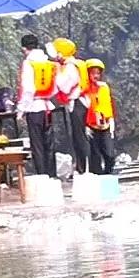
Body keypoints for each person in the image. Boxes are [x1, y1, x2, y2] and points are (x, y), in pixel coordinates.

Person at [17, 33, 58, 176]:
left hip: (34, 107)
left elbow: (28, 89)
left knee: (37, 145)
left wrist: (20, 109)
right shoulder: (48, 63)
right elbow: (54, 87)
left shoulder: (29, 63)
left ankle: (42, 175)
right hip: (47, 106)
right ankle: (52, 175)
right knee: (49, 143)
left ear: (24, 48)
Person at [49, 37, 89, 176]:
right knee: (77, 137)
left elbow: (64, 86)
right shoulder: (69, 64)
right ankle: (81, 166)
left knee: (80, 137)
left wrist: (56, 72)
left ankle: (85, 168)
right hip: (74, 103)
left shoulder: (70, 67)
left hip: (77, 104)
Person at [81, 59, 117, 174]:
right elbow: (82, 110)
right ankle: (99, 177)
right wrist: (85, 126)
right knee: (95, 156)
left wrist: (111, 121)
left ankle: (108, 172)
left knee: (110, 154)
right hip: (91, 126)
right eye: (93, 73)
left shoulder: (104, 87)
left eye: (98, 73)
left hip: (105, 125)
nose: (96, 76)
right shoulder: (84, 90)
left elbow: (108, 104)